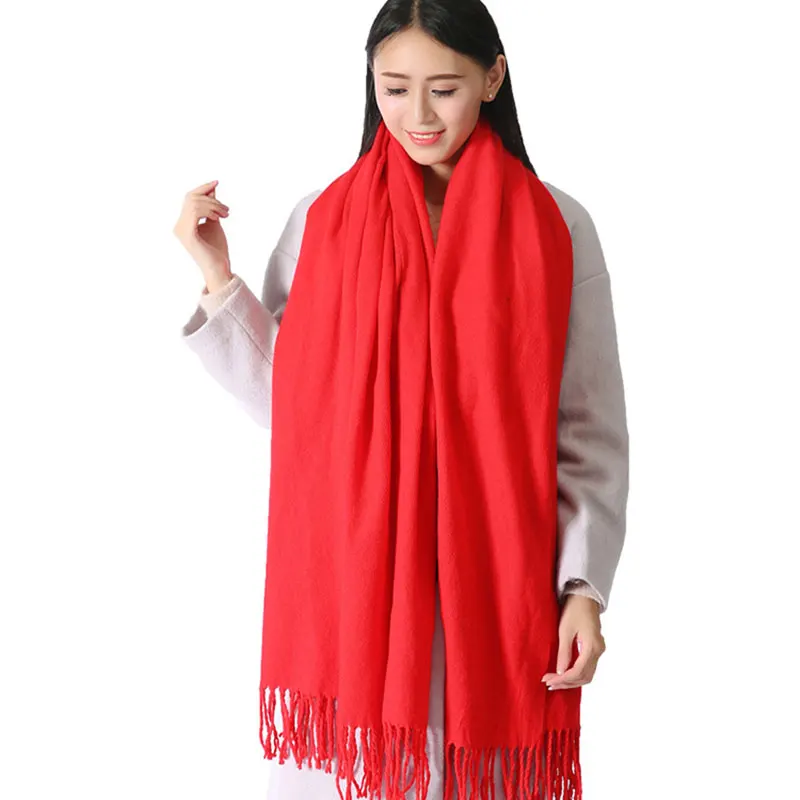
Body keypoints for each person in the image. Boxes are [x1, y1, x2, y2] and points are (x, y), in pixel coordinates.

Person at [174, 2, 628, 798]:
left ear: (493, 77)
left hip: (493, 592)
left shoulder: (556, 225)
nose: (419, 114)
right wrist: (217, 277)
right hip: (353, 594)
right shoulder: (323, 220)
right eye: (394, 88)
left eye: (444, 89)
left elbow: (587, 427)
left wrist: (583, 591)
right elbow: (298, 413)